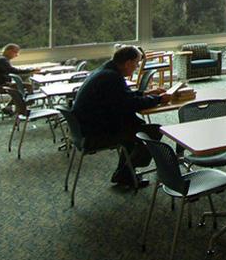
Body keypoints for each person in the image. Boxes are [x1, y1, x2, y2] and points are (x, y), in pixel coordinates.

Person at [71, 45, 172, 188]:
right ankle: (125, 172)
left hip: (86, 126)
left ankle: (125, 173)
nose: (137, 67)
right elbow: (130, 104)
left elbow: (120, 97)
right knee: (152, 131)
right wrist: (159, 99)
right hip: (94, 133)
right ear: (127, 64)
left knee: (136, 125)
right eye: (136, 63)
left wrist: (145, 94)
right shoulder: (112, 77)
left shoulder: (107, 71)